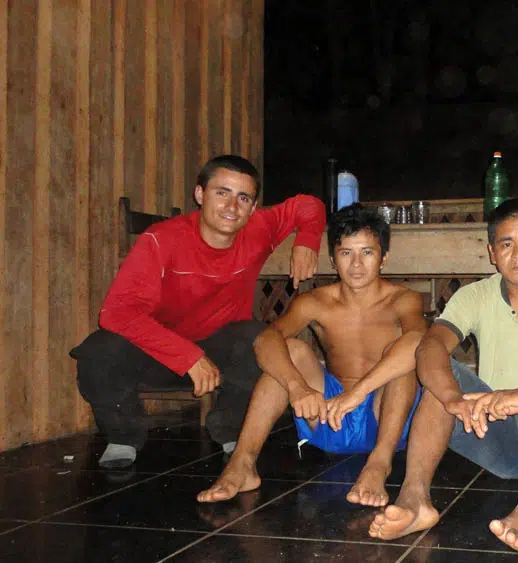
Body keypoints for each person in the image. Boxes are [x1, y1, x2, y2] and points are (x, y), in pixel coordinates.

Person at [368, 198, 518, 556]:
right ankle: (414, 499)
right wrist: (451, 397)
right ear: (492, 253)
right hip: (497, 437)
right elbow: (432, 345)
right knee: (440, 376)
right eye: (506, 244)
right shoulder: (475, 294)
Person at [70, 155, 326, 468]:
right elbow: (115, 313)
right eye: (222, 193)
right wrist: (187, 356)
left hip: (219, 353)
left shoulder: (259, 228)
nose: (232, 207)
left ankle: (231, 429)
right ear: (200, 194)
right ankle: (123, 434)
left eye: (243, 198)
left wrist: (307, 241)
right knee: (98, 350)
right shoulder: (162, 239)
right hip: (157, 353)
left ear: (253, 207)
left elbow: (309, 205)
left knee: (259, 338)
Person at [196, 203, 425, 507]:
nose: (356, 264)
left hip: (384, 419)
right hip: (327, 415)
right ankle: (242, 463)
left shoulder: (404, 300)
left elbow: (418, 342)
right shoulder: (315, 302)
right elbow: (265, 340)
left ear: (384, 258)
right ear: (333, 259)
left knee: (404, 360)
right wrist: (297, 387)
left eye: (367, 253)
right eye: (346, 253)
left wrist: (357, 393)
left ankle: (378, 466)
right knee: (288, 349)